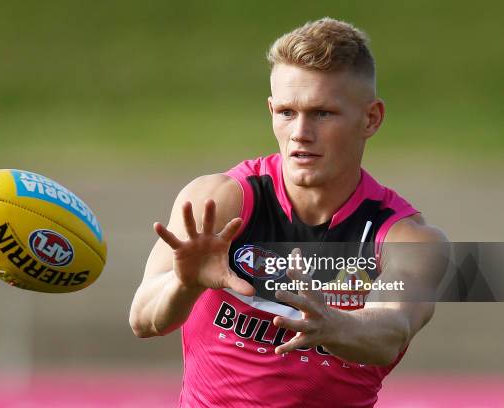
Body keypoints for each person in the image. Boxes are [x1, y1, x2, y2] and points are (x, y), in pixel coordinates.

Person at [129, 17, 448, 408]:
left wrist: (332, 325)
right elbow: (143, 319)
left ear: (371, 119)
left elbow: (392, 331)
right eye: (286, 112)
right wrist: (185, 283)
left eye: (322, 113)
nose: (300, 132)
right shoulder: (220, 203)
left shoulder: (407, 239)